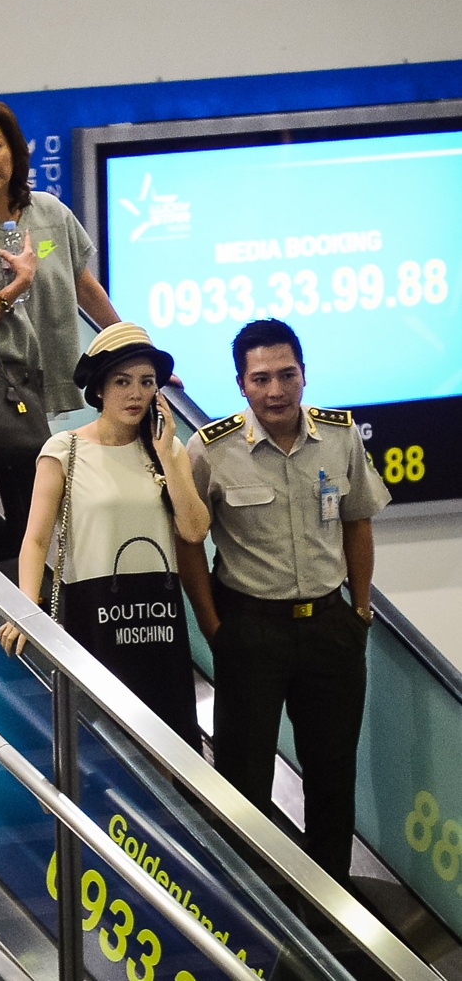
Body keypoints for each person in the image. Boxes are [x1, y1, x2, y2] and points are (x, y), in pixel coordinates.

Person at [178, 318, 391, 884]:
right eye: (261, 378)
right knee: (244, 778)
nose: (276, 390)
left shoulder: (340, 436)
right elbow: (188, 542)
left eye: (287, 375)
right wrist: (214, 627)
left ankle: (330, 910)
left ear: (304, 374)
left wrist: (359, 610)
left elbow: (358, 522)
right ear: (241, 385)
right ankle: (253, 908)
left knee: (332, 775)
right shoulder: (211, 449)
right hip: (250, 629)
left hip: (330, 628)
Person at [0, 323, 209, 748]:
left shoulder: (168, 450)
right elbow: (35, 538)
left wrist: (167, 456)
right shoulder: (64, 449)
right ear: (98, 389)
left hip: (158, 614)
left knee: (169, 736)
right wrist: (24, 608)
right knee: (101, 738)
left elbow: (194, 529)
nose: (136, 394)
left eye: (146, 382)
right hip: (92, 609)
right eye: (122, 382)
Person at [0, 97, 119, 556]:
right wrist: (15, 287)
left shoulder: (50, 211)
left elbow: (84, 285)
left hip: (38, 395)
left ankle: (31, 603)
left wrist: (128, 345)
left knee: (35, 528)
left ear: (15, 151)